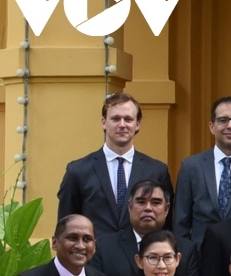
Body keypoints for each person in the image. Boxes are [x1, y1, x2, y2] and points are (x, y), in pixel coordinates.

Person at [58, 93, 174, 237]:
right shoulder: (78, 171)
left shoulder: (157, 171)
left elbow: (167, 223)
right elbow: (66, 223)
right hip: (95, 256)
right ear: (103, 122)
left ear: (137, 124)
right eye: (115, 119)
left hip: (141, 254)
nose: (122, 125)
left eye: (128, 119)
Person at [91, 179, 201, 276]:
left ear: (167, 209)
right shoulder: (104, 247)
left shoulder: (185, 249)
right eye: (141, 202)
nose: (148, 208)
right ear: (130, 206)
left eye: (156, 202)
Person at [174, 96, 231, 248]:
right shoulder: (191, 167)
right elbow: (180, 223)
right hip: (200, 258)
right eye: (223, 120)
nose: (230, 126)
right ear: (211, 126)